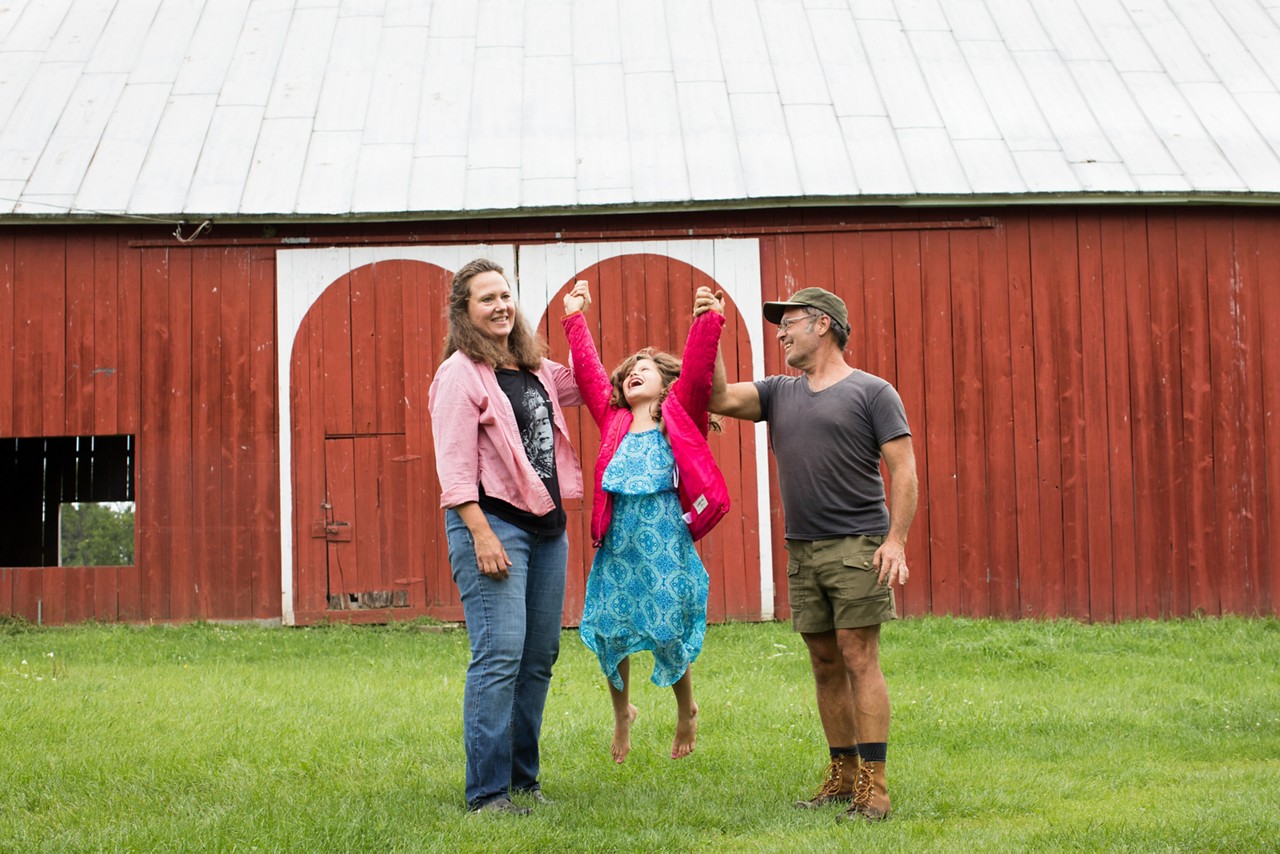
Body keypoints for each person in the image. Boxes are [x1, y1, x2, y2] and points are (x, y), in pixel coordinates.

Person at [702, 285, 917, 824]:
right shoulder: (779, 391)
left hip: (858, 546)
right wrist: (713, 330)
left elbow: (905, 471)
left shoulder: (873, 392)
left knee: (858, 656)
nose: (781, 332)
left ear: (822, 325)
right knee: (824, 662)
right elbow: (719, 398)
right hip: (803, 547)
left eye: (790, 322)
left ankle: (876, 785)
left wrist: (896, 540)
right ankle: (843, 776)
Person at [428, 258, 584, 816]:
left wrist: (576, 323)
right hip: (492, 524)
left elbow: (593, 385)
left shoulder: (536, 368)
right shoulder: (459, 374)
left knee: (539, 656)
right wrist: (480, 533)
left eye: (505, 296)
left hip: (547, 528)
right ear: (464, 312)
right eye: (486, 299)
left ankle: (523, 781)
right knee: (499, 655)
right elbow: (453, 466)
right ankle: (488, 792)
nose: (500, 306)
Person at [560, 280, 730, 764]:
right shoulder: (612, 420)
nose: (634, 373)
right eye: (630, 372)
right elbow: (592, 375)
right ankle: (622, 715)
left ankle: (686, 710)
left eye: (646, 369)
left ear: (666, 383)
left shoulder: (680, 414)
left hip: (664, 544)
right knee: (609, 632)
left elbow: (698, 373)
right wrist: (575, 318)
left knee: (666, 630)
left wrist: (708, 318)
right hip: (618, 546)